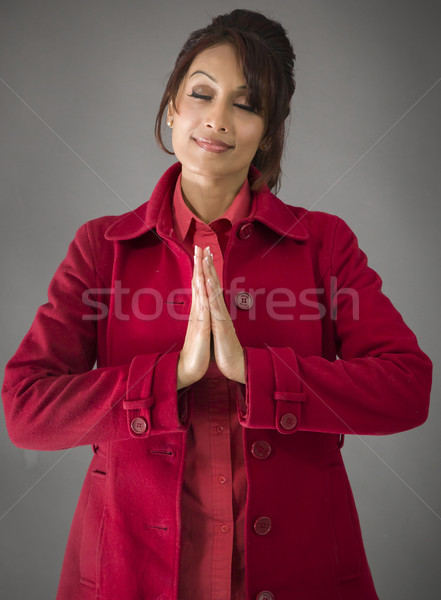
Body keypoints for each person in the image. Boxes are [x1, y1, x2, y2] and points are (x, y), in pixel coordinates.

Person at [1, 9, 432, 600]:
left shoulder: (325, 243)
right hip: (132, 573)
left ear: (268, 132)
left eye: (246, 105)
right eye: (201, 93)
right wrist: (166, 378)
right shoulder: (100, 247)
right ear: (173, 105)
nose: (218, 119)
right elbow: (25, 409)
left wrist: (256, 371)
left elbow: (408, 387)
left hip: (300, 572)